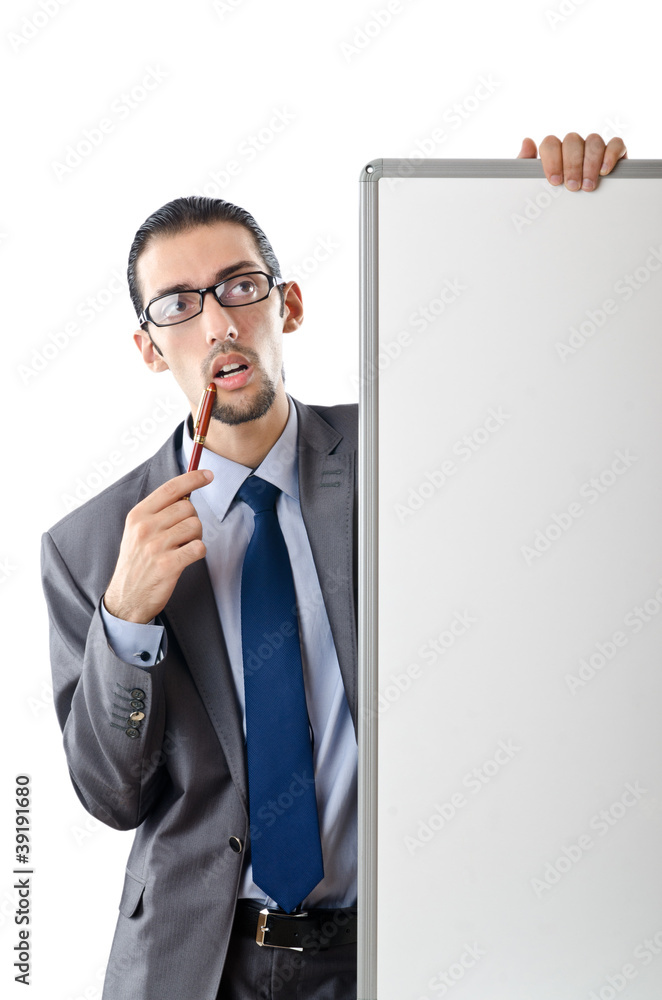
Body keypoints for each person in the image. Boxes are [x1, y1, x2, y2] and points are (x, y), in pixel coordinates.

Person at [41, 132, 626, 1000]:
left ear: (290, 305)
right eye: (178, 306)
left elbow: (550, 429)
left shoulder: (411, 450)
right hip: (198, 967)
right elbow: (109, 795)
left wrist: (543, 221)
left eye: (241, 287)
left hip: (406, 953)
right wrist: (125, 620)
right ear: (150, 349)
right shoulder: (89, 544)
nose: (219, 323)